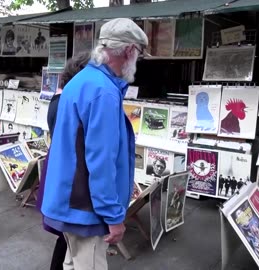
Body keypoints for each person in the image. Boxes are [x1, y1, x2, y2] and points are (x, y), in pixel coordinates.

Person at [41, 18, 148, 270]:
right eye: (139, 55)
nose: (137, 62)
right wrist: (113, 216)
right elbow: (101, 161)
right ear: (130, 50)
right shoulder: (103, 91)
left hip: (70, 200)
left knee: (71, 263)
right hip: (84, 206)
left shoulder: (83, 80)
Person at [37, 51, 91, 270]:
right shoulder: (66, 104)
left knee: (67, 237)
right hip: (70, 177)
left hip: (61, 171)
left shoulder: (59, 100)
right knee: (68, 236)